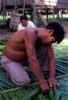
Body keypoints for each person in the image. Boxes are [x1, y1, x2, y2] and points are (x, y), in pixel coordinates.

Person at [1, 22, 65, 93]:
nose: (51, 43)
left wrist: (52, 77)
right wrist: (42, 81)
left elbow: (52, 58)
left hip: (26, 58)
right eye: (52, 41)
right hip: (11, 59)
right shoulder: (30, 33)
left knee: (45, 48)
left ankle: (40, 70)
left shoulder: (44, 38)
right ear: (50, 32)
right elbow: (32, 59)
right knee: (24, 81)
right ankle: (9, 70)